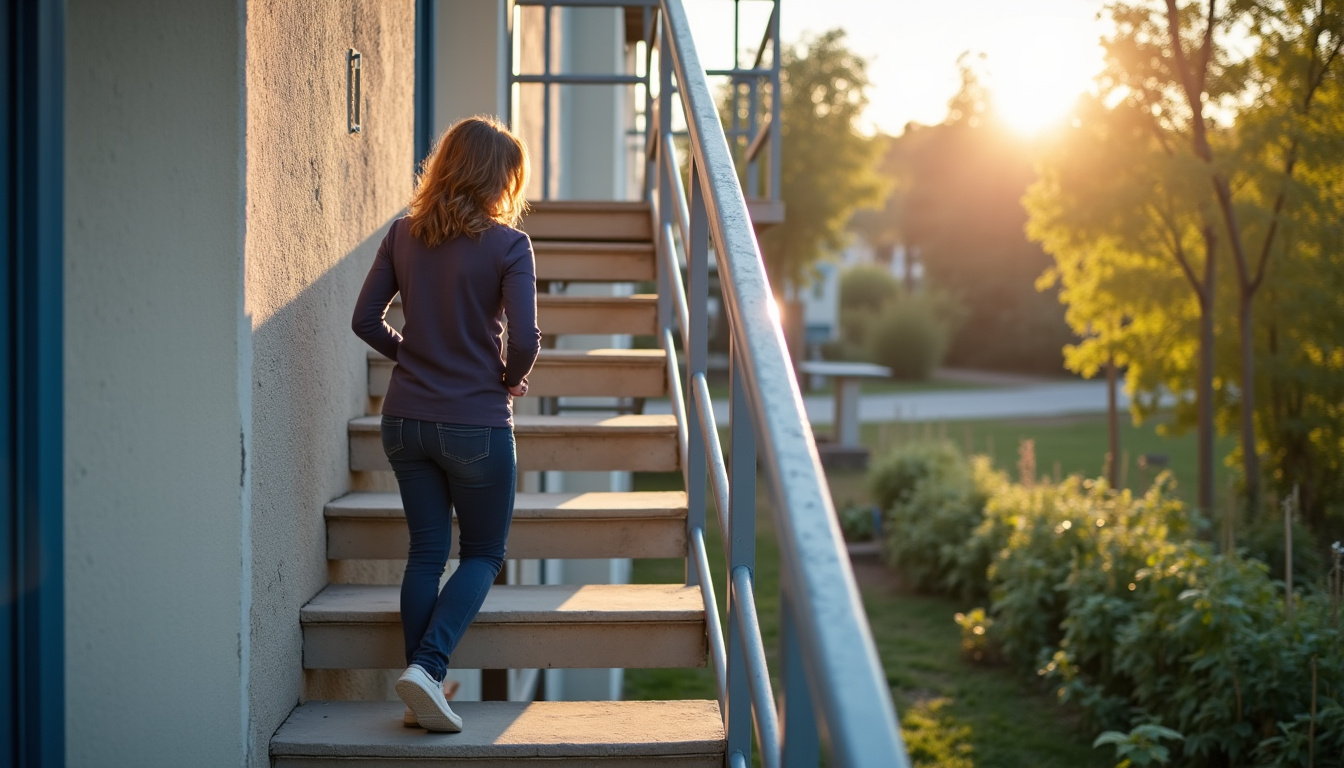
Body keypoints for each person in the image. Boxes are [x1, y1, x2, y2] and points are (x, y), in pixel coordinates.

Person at [351, 115, 539, 733]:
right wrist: (508, 379)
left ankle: (419, 686)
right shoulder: (510, 246)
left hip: (404, 419)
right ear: (497, 178)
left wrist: (416, 355)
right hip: (476, 423)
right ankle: (429, 669)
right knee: (483, 553)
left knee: (427, 553)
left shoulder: (403, 234)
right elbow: (527, 337)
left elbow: (366, 321)